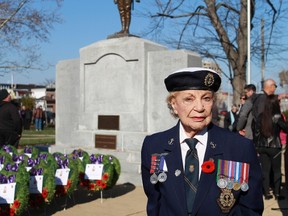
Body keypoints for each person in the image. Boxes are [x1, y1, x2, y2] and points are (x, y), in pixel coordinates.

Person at [141, 67, 263, 215]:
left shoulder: (239, 147)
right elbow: (154, 201)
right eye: (188, 99)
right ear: (174, 104)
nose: (199, 108)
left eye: (206, 98)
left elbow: (251, 208)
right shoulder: (154, 145)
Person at [254, 94, 288, 200]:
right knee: (277, 170)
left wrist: (256, 146)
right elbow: (285, 128)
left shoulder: (260, 116)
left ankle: (266, 193)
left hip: (262, 146)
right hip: (275, 146)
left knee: (265, 170)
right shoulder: (277, 116)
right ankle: (277, 193)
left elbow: (256, 132)